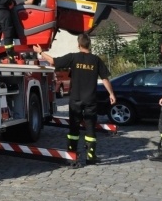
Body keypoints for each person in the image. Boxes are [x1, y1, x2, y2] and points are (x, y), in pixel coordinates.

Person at [34, 34, 115, 167]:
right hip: (90, 100)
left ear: (78, 45)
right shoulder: (96, 60)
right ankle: (91, 157)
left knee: (74, 129)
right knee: (90, 128)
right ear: (89, 45)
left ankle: (72, 157)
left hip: (75, 100)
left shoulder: (73, 57)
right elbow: (105, 78)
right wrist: (111, 94)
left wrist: (41, 52)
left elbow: (53, 61)